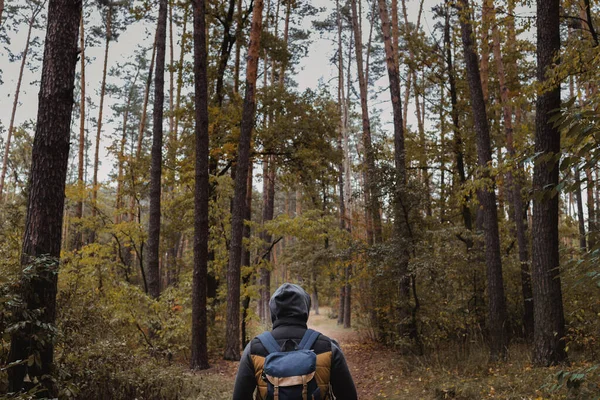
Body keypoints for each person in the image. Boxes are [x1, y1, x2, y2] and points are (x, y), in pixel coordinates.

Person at [232, 283, 358, 400]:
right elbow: (349, 396)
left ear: (273, 312)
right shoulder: (328, 347)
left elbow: (239, 396)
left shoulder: (254, 349)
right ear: (305, 310)